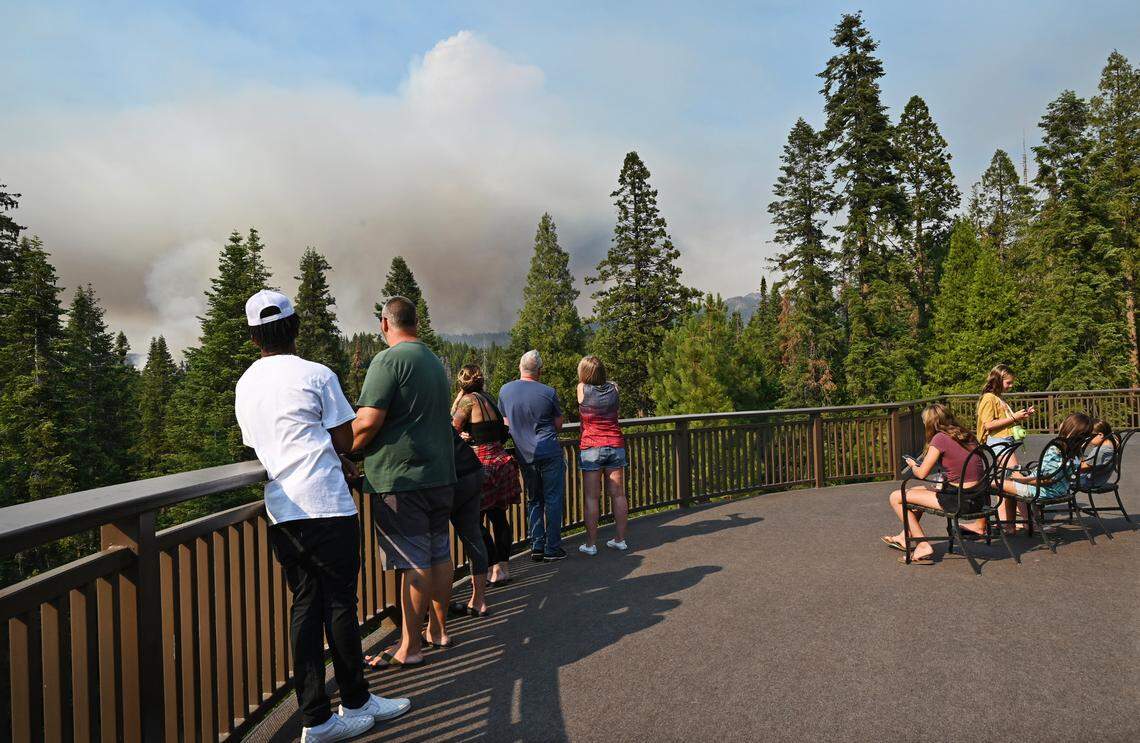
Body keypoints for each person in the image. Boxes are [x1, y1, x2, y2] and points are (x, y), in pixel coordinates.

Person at [235, 290, 409, 742]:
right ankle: (354, 700)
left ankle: (318, 718)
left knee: (306, 608)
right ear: (294, 327)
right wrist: (341, 458)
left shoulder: (245, 384)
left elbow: (262, 443)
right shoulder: (316, 375)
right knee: (340, 605)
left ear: (255, 337)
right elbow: (346, 438)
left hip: (283, 508)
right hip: (327, 504)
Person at [352, 296, 455, 669]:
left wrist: (341, 448)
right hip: (440, 475)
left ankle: (410, 647)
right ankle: (439, 631)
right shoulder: (431, 360)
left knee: (415, 560)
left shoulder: (388, 361)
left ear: (384, 324)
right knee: (439, 553)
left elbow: (366, 422)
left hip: (402, 478)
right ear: (416, 322)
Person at [882, 403, 988, 564]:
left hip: (959, 501)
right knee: (917, 491)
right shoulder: (967, 435)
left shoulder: (940, 438)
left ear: (930, 422)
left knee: (896, 497)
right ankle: (906, 535)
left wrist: (913, 465)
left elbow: (922, 473)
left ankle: (923, 545)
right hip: (979, 497)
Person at [450, 364, 521, 585]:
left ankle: (489, 567)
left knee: (473, 520)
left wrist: (458, 398)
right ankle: (504, 568)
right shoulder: (487, 398)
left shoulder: (468, 401)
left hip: (482, 464)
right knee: (499, 518)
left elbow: (452, 427)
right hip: (501, 461)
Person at [498, 350, 566, 562]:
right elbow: (559, 424)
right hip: (549, 452)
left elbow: (505, 423)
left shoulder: (505, 391)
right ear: (540, 371)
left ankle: (537, 545)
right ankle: (552, 548)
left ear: (520, 367)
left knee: (534, 499)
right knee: (553, 500)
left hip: (525, 455)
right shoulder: (548, 392)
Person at [575, 355, 629, 555]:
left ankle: (590, 545)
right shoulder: (614, 388)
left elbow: (583, 390)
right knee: (619, 494)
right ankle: (620, 540)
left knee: (591, 497)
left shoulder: (581, 389)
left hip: (591, 447)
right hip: (615, 444)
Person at [976, 364, 1035, 530]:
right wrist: (1015, 418)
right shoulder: (989, 398)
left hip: (1003, 441)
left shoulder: (997, 397)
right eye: (1008, 383)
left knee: (1006, 481)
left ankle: (1008, 523)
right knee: (1017, 479)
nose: (1011, 386)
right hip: (998, 442)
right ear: (998, 380)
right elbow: (988, 425)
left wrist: (1021, 416)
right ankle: (1028, 521)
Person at [999, 412, 1091, 509]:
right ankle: (1021, 522)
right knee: (1008, 477)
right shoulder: (1075, 453)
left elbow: (1047, 480)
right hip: (1061, 490)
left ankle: (1022, 522)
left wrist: (1021, 479)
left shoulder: (1056, 450)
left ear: (1067, 428)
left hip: (1043, 491)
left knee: (993, 483)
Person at [1079, 419, 1116, 489]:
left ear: (1100, 435)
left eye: (1088, 435)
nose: (1086, 438)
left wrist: (1078, 450)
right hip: (1100, 479)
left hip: (1091, 482)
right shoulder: (1110, 444)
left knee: (1061, 477)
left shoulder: (1101, 450)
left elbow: (1081, 467)